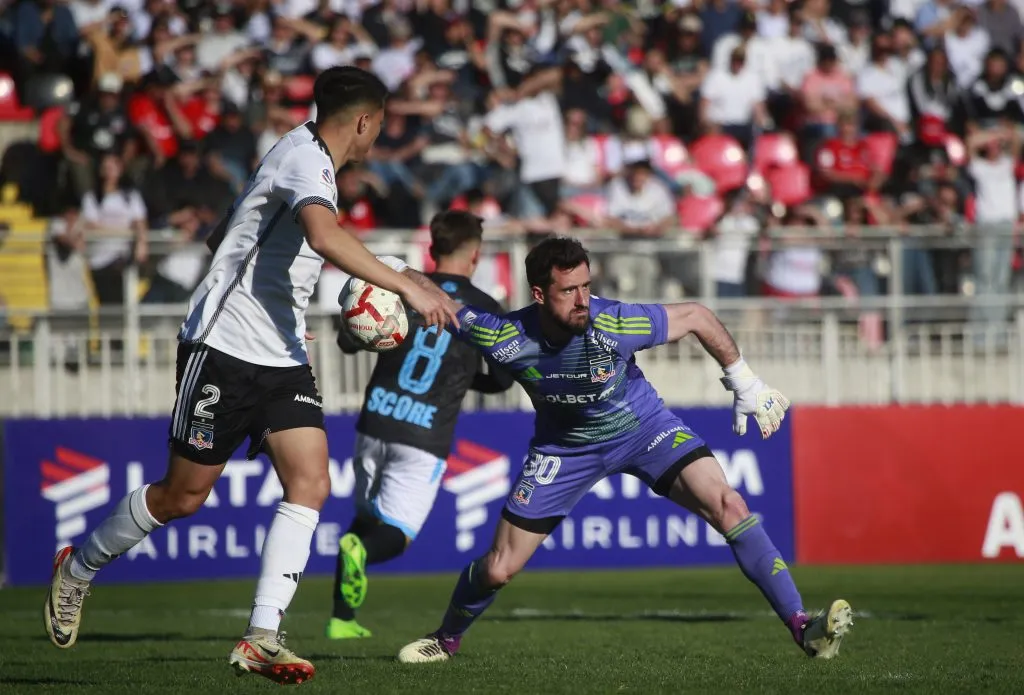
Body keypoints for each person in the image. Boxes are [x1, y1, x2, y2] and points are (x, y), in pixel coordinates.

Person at [43, 65, 459, 686]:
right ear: (365, 121)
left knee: (311, 481)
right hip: (223, 349)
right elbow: (324, 238)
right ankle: (78, 568)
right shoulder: (307, 160)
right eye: (380, 125)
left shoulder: (301, 156)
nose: (378, 136)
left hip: (281, 356)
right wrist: (408, 287)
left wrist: (283, 306)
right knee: (182, 496)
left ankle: (262, 636)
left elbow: (228, 233)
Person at [396, 237, 853, 664]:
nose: (582, 300)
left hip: (644, 431)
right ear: (538, 294)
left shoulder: (614, 322)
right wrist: (395, 270)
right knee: (498, 569)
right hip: (564, 451)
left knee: (728, 504)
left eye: (586, 286)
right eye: (568, 290)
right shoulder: (505, 336)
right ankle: (446, 638)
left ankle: (803, 627)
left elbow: (696, 315)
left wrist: (744, 381)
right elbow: (442, 302)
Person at [326, 210, 515, 640]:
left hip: (375, 420)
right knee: (397, 533)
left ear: (432, 249)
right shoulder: (485, 307)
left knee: (365, 518)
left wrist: (360, 330)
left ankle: (341, 617)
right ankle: (355, 569)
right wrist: (465, 379)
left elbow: (348, 341)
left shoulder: (401, 288)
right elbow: (502, 380)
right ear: (476, 255)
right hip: (424, 435)